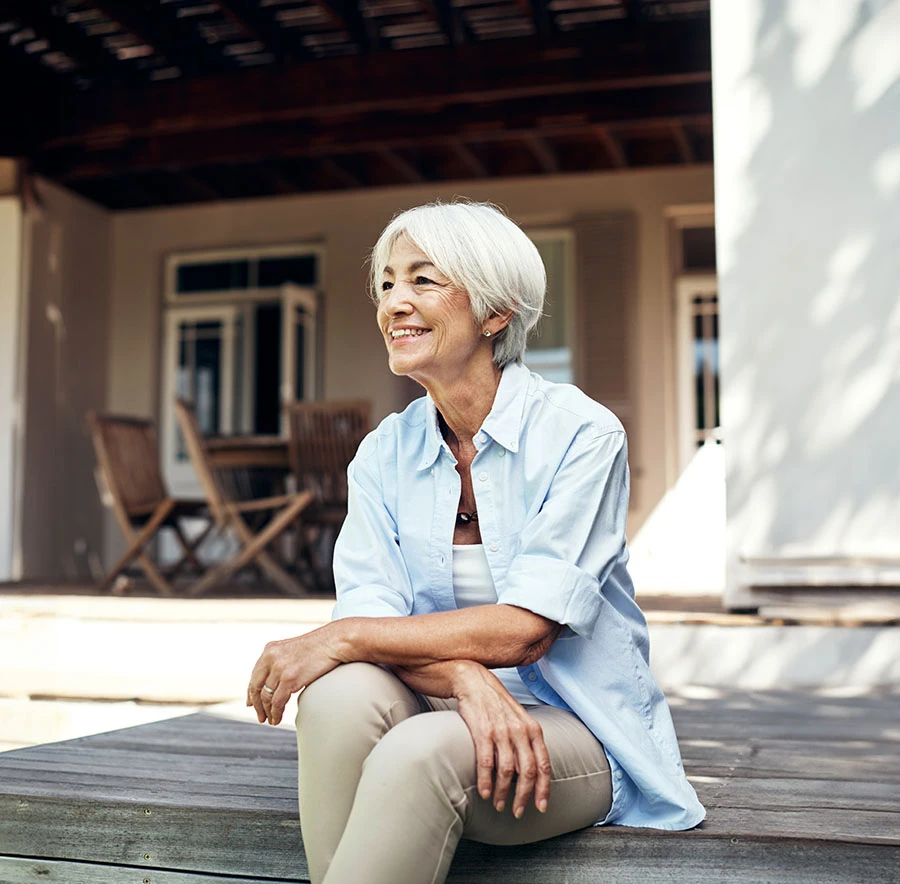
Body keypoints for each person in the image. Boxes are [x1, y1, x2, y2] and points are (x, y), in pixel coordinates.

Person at [247, 201, 705, 884]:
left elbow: (525, 630)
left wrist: (345, 640)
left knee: (418, 751)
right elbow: (371, 624)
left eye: (423, 281)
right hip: (444, 702)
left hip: (574, 730)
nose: (394, 302)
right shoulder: (384, 453)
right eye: (387, 283)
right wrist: (465, 677)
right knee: (337, 699)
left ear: (496, 313)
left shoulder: (583, 435)